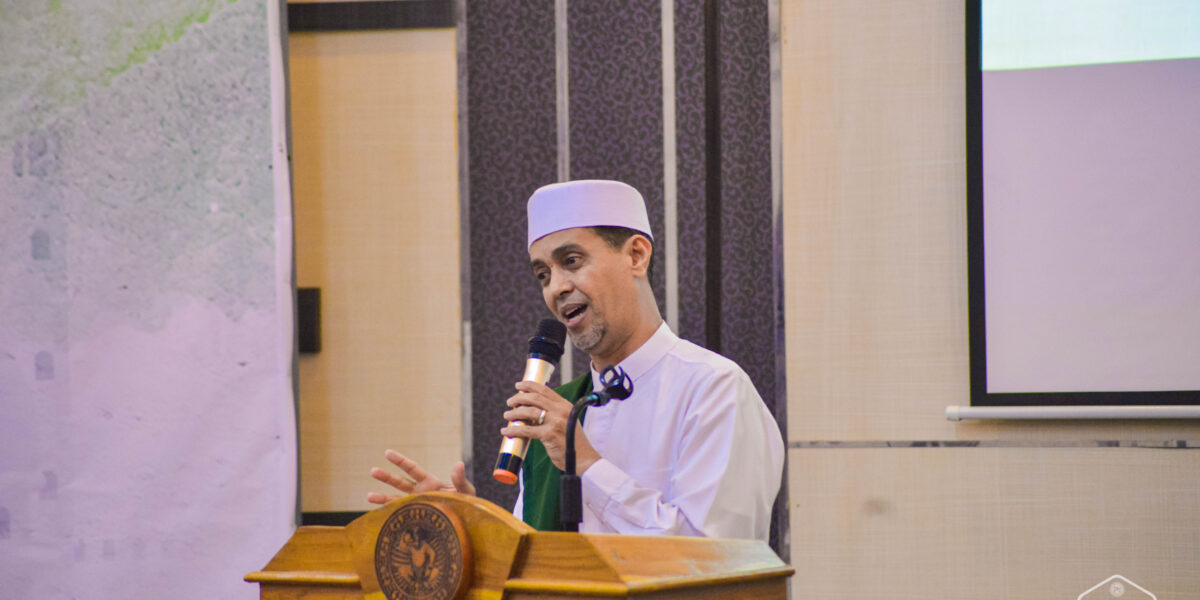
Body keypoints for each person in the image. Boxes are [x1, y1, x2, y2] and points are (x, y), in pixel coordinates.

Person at [368, 180, 784, 542]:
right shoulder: (555, 413)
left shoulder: (714, 390)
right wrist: (473, 529)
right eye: (543, 274)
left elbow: (716, 559)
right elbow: (537, 565)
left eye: (571, 261)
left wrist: (585, 461)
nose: (556, 288)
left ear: (636, 255)